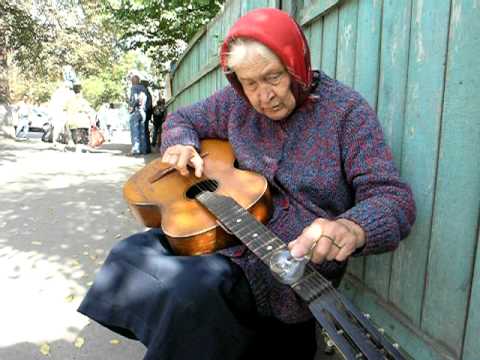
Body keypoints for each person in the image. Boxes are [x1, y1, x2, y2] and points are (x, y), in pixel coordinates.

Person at [78, 8, 416, 360]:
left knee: (190, 294)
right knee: (129, 255)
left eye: (272, 77)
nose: (262, 96)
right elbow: (183, 118)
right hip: (219, 235)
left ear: (296, 65)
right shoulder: (235, 104)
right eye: (249, 83)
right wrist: (180, 142)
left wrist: (351, 228)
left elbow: (392, 198)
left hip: (289, 275)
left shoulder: (346, 113)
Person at [63, 83, 95, 152]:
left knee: (76, 137)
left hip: (72, 122)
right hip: (82, 122)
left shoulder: (69, 101)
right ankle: (80, 151)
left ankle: (78, 150)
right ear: (80, 91)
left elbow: (64, 110)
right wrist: (92, 121)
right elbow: (88, 111)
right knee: (82, 138)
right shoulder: (83, 101)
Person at [127, 75, 149, 155]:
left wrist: (131, 107)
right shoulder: (144, 89)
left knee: (135, 131)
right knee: (142, 131)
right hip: (143, 112)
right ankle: (144, 149)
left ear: (133, 81)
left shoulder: (134, 88)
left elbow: (135, 98)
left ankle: (136, 150)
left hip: (136, 111)